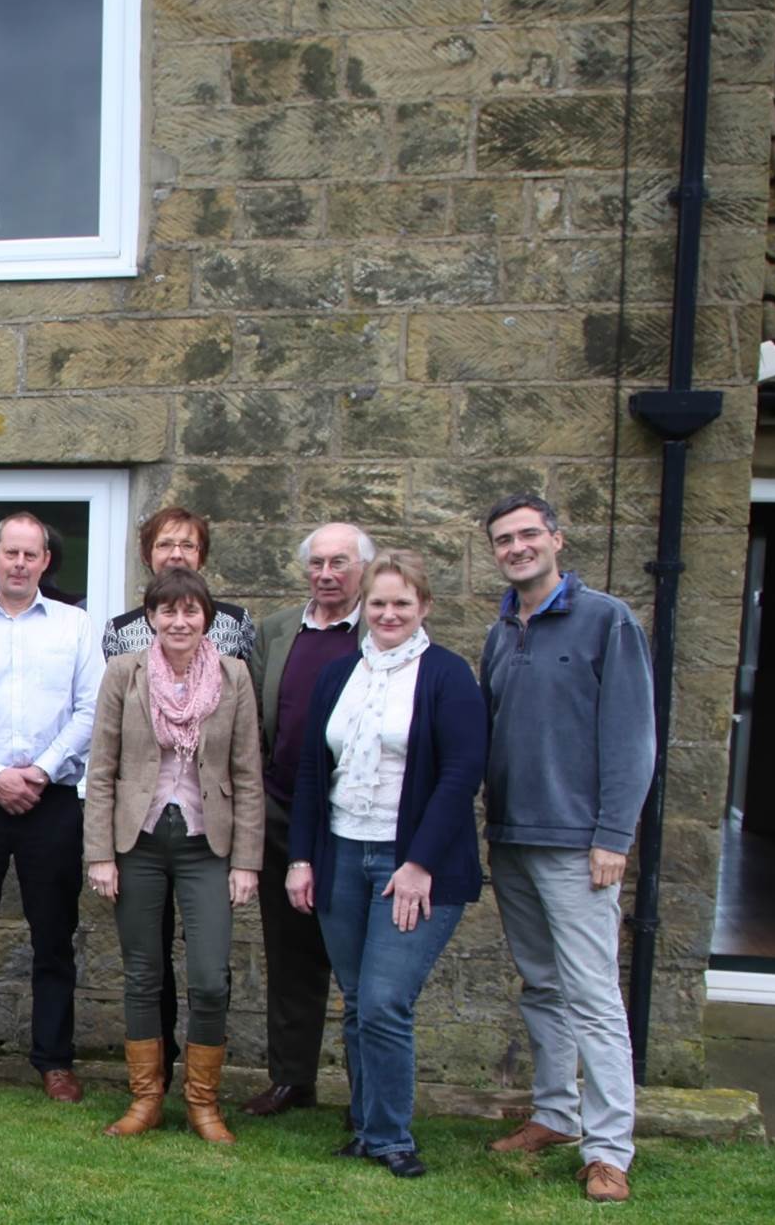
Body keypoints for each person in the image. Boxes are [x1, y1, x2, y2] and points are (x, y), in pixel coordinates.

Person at [285, 550, 485, 1179]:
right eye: (378, 603)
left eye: (402, 603)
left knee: (384, 1001)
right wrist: (300, 858)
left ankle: (393, 1135)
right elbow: (315, 771)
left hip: (412, 866)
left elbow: (460, 776)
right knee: (356, 998)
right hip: (341, 853)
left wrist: (420, 863)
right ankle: (367, 1129)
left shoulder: (448, 676)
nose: (390, 613)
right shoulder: (339, 675)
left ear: (423, 606)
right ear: (362, 608)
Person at [477, 492, 654, 1205]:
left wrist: (615, 835)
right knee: (542, 984)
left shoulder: (607, 620)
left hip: (578, 844)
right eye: (503, 539)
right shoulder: (501, 630)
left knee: (593, 995)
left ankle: (610, 1149)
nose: (516, 547)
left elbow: (632, 736)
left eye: (527, 534)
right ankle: (556, 1112)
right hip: (513, 836)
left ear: (556, 537)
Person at [84, 567, 262, 1144]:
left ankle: (203, 1104)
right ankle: (145, 1100)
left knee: (210, 979)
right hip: (137, 844)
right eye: (167, 611)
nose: (179, 622)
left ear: (206, 617)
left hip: (207, 846)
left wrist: (247, 862)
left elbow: (247, 773)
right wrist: (101, 855)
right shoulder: (123, 673)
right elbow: (102, 768)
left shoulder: (233, 676)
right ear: (152, 618)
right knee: (142, 975)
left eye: (190, 611)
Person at [0, 513, 100, 1103]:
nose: (19, 563)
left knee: (54, 934)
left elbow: (90, 711)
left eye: (30, 555)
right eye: (10, 552)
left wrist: (36, 772)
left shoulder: (76, 626)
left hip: (52, 798)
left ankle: (55, 1059)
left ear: (45, 561)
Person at [244, 521, 376, 1119]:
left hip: (352, 817)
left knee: (360, 960)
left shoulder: (383, 630)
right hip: (279, 812)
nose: (327, 575)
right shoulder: (275, 632)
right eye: (318, 564)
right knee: (290, 953)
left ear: (363, 570)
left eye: (340, 563)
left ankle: (368, 1091)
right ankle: (292, 1078)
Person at [102, 507, 258, 661]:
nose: (176, 555)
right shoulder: (120, 631)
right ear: (146, 555)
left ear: (201, 557)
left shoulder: (236, 623)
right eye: (164, 545)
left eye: (187, 545)